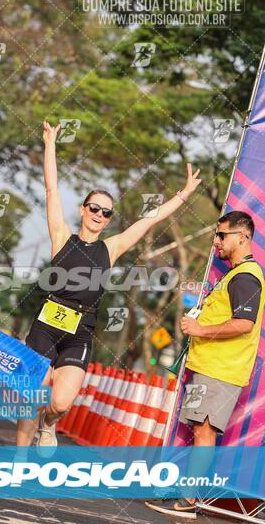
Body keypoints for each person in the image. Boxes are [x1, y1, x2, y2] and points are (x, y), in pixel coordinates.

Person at [16, 120, 202, 449]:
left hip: (80, 330)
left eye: (106, 212)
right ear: (83, 210)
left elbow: (151, 219)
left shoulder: (111, 248)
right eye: (94, 208)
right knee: (35, 390)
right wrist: (50, 145)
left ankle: (49, 423)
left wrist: (183, 194)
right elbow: (51, 190)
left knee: (59, 402)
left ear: (109, 219)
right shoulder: (61, 236)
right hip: (47, 323)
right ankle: (17, 460)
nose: (99, 214)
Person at [146, 210, 265, 519]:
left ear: (242, 237)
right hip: (210, 367)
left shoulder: (246, 276)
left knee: (204, 432)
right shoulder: (236, 273)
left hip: (221, 370)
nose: (216, 241)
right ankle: (186, 495)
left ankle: (188, 500)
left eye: (221, 235)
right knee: (200, 431)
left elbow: (244, 324)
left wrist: (200, 329)